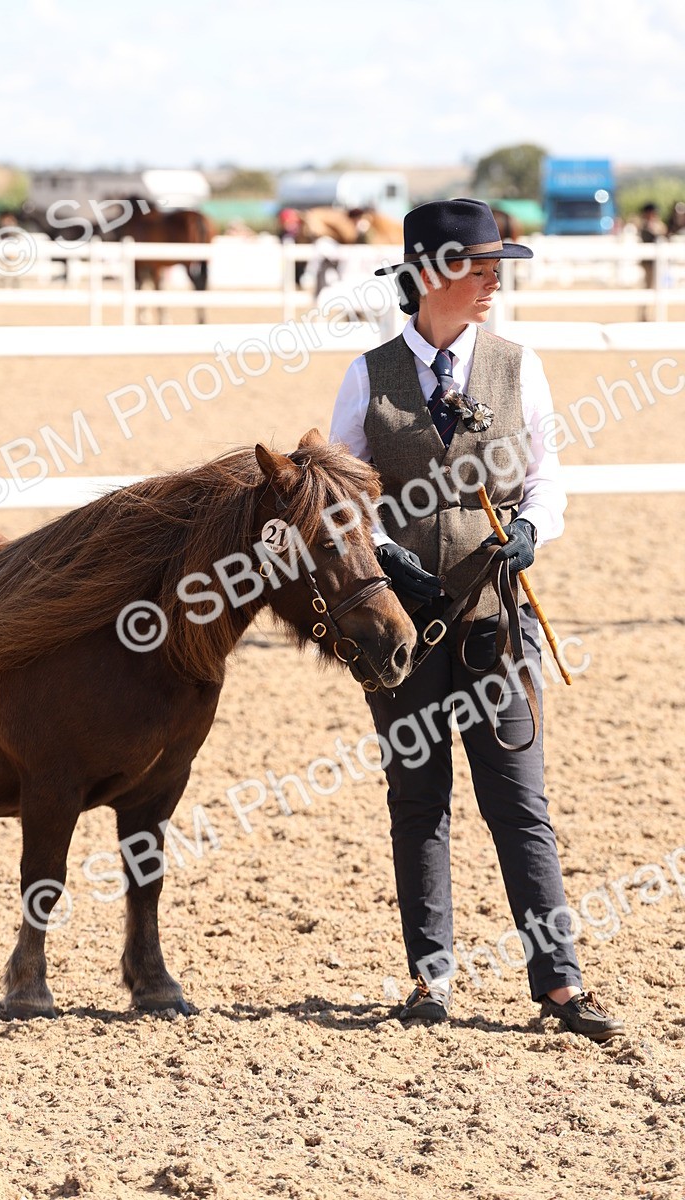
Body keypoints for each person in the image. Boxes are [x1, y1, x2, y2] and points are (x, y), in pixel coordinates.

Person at [329, 198, 624, 1042]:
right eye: (479, 264)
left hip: (498, 616)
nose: (497, 278)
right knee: (416, 799)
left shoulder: (518, 365)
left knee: (517, 801)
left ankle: (560, 985)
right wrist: (386, 552)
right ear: (429, 274)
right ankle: (430, 981)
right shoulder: (368, 373)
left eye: (500, 265)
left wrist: (533, 526)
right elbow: (347, 496)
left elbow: (548, 475)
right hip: (403, 629)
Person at [637, 202, 668, 320]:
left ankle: (652, 314)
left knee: (657, 287)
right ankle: (644, 314)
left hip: (657, 262)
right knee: (648, 287)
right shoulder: (644, 225)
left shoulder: (657, 224)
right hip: (648, 263)